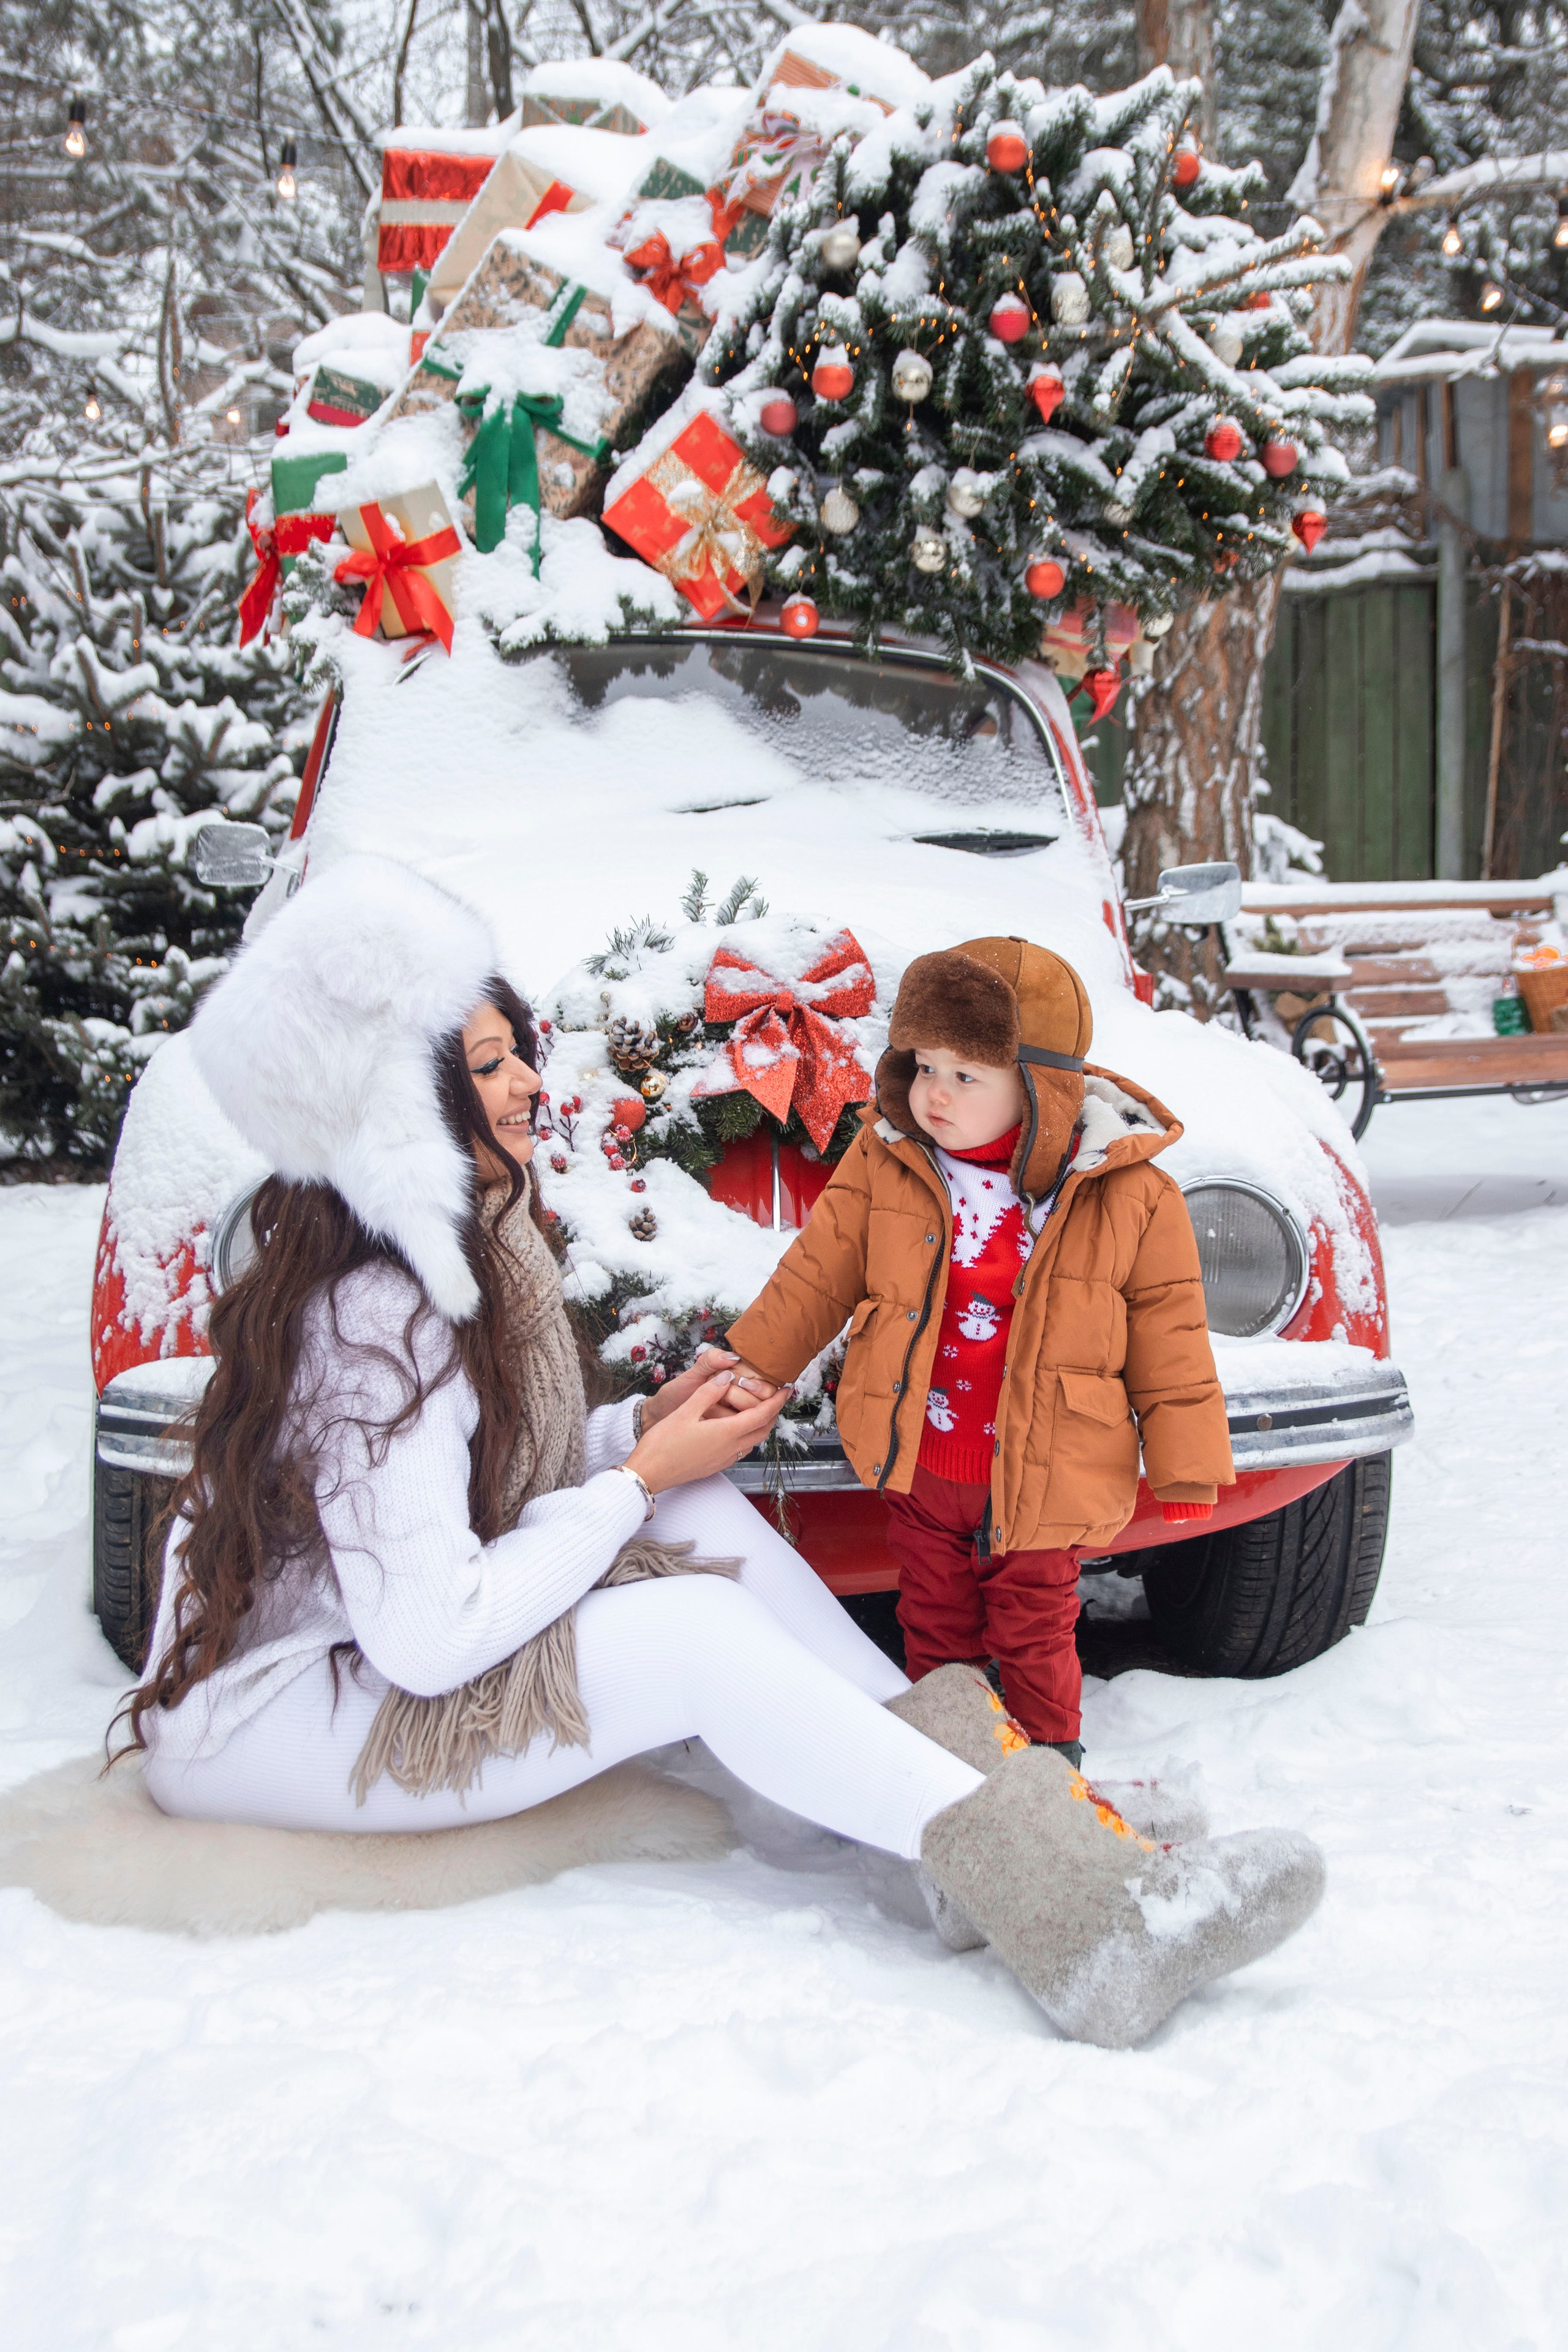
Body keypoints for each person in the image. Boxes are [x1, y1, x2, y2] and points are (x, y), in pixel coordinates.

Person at [123, 861, 1322, 2048]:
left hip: (379, 1651)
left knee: (690, 1502)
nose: (530, 1083)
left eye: (516, 1048)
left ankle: (1005, 1812)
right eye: (486, 1067)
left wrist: (639, 1443)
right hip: (286, 1726)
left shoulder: (467, 1241)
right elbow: (429, 1636)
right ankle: (1087, 1920)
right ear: (395, 1108)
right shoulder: (372, 1319)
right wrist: (630, 1481)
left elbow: (488, 1482)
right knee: (684, 1629)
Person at [723, 935, 1234, 1767]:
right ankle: (949, 1767)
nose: (934, 1095)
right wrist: (757, 1364)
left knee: (1035, 1625)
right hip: (923, 1459)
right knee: (934, 1617)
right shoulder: (889, 1161)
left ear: (1042, 1089)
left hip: (1044, 1469)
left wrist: (1184, 1465)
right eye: (924, 1066)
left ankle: (1048, 1779)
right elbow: (818, 1274)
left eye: (967, 1077)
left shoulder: (1126, 1190)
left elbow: (1168, 1330)